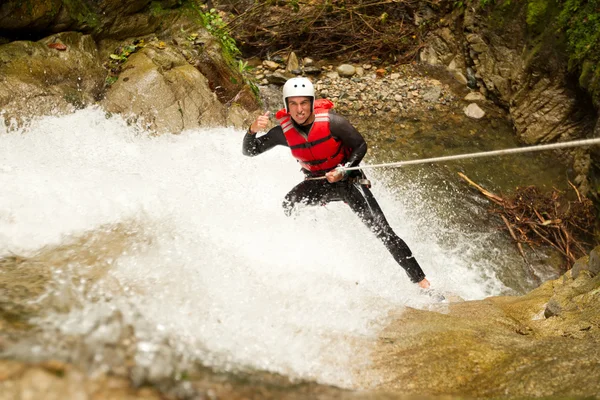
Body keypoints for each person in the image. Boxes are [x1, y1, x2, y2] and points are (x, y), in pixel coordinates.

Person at [242, 77, 430, 289]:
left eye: (304, 103)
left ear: (312, 103)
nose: (299, 109)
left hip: (349, 182)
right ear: (286, 106)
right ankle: (314, 256)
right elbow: (250, 151)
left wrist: (343, 169)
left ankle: (423, 284)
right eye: (293, 104)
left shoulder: (333, 122)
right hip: (317, 182)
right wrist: (252, 129)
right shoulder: (282, 133)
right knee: (290, 204)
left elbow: (360, 145)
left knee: (384, 232)